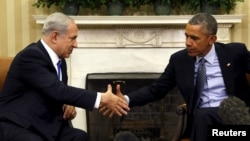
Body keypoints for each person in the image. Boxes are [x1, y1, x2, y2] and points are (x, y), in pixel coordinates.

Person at [101, 13, 250, 141]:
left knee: (204, 115)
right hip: (202, 124)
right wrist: (126, 100)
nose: (187, 43)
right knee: (203, 115)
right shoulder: (179, 61)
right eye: (186, 36)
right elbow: (156, 89)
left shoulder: (235, 53)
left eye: (194, 38)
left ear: (212, 39)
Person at [0, 12, 129, 141]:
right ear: (55, 37)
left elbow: (54, 91)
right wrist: (102, 98)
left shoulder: (60, 61)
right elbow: (57, 90)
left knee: (80, 137)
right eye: (72, 38)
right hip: (19, 124)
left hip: (43, 124)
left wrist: (66, 104)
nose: (76, 44)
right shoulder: (31, 56)